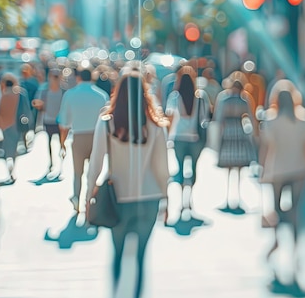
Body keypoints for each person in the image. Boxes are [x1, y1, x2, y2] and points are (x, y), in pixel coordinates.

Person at [86, 71, 170, 298]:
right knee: (142, 257)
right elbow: (162, 168)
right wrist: (166, 199)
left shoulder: (108, 123)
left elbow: (95, 164)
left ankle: (115, 293)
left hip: (118, 198)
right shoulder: (155, 125)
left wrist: (87, 199)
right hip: (150, 197)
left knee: (118, 253)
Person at [259, 79, 305, 286]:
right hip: (299, 169)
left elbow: (267, 148)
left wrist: (263, 169)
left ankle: (276, 239)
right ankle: (296, 244)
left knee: (275, 209)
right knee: (296, 211)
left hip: (277, 170)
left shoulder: (270, 120)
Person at [58, 68, 109, 211]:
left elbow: (64, 123)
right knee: (94, 170)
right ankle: (90, 198)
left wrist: (62, 143)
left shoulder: (70, 94)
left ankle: (76, 197)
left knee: (77, 172)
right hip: (97, 137)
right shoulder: (101, 95)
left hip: (78, 136)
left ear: (79, 77)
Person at [213, 71, 258, 211]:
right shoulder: (245, 100)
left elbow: (218, 119)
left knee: (228, 167)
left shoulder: (224, 99)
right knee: (238, 168)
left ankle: (228, 197)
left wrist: (217, 139)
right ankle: (237, 196)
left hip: (227, 132)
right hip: (239, 132)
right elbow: (251, 117)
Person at [165, 66, 209, 203]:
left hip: (178, 137)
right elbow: (205, 117)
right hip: (194, 137)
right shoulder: (200, 97)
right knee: (194, 167)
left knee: (180, 168)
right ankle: (189, 198)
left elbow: (169, 116)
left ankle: (181, 195)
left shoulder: (175, 96)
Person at [0, 73, 32, 183]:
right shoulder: (20, 94)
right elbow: (26, 110)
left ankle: (9, 169)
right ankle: (12, 169)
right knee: (14, 148)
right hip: (16, 125)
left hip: (4, 126)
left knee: (6, 148)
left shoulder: (2, 96)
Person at [32, 68, 65, 178]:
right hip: (48, 120)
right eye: (52, 76)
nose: (54, 79)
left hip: (60, 122)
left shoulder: (63, 91)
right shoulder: (44, 91)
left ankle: (61, 163)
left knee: (61, 144)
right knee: (49, 143)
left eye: (56, 76)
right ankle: (51, 162)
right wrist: (38, 104)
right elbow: (37, 102)